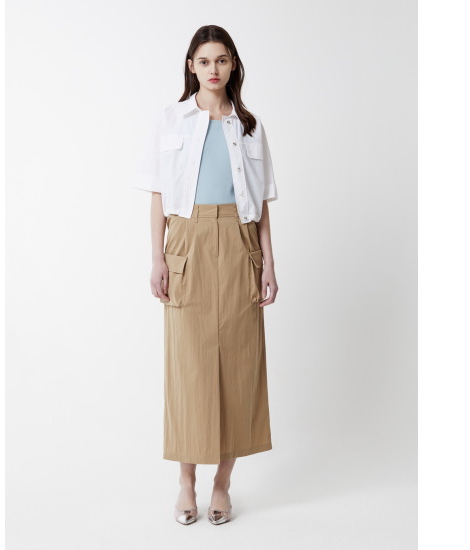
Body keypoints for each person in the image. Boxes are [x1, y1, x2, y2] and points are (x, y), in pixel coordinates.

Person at [132, 25, 279, 525]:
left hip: (239, 243)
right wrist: (158, 258)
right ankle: (186, 482)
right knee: (189, 367)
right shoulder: (171, 120)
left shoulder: (250, 126)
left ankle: (223, 483)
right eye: (203, 60)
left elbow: (260, 204)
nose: (213, 69)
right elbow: (158, 195)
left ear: (233, 64)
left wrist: (269, 264)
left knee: (239, 365)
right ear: (190, 66)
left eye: (221, 59)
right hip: (187, 241)